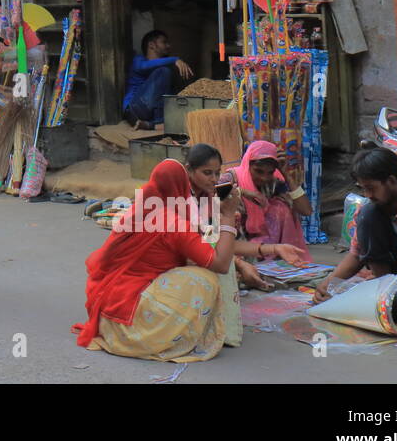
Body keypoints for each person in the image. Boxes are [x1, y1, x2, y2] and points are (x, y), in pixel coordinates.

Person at [74, 159, 239, 362]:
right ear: (183, 186)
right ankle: (175, 337)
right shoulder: (174, 222)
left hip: (108, 307)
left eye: (216, 174)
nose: (213, 180)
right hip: (133, 317)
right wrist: (229, 216)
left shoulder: (141, 206)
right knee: (204, 278)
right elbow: (220, 263)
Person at [182, 143, 310, 292]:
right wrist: (239, 264)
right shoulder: (185, 200)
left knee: (280, 208)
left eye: (217, 173)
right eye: (207, 173)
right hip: (180, 268)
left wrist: (275, 248)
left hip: (232, 251)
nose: (214, 179)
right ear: (189, 170)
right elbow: (206, 249)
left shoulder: (208, 197)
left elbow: (212, 241)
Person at [314, 147, 397, 301]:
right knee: (368, 214)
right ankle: (381, 289)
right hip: (389, 279)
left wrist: (391, 284)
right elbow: (357, 254)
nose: (367, 195)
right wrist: (328, 284)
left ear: (391, 181)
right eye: (363, 189)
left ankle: (382, 290)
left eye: (371, 188)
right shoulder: (370, 208)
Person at [232, 140, 313, 262]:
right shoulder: (231, 178)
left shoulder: (272, 183)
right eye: (258, 171)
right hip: (234, 244)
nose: (264, 178)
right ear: (247, 164)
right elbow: (215, 195)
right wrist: (242, 192)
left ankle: (276, 258)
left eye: (269, 172)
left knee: (281, 207)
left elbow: (306, 210)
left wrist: (285, 173)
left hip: (264, 244)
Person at [122, 30, 194, 130]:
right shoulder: (138, 60)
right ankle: (159, 123)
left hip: (151, 112)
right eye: (164, 42)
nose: (168, 46)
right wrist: (175, 59)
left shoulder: (165, 70)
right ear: (152, 45)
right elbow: (143, 67)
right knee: (164, 71)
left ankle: (152, 125)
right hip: (134, 109)